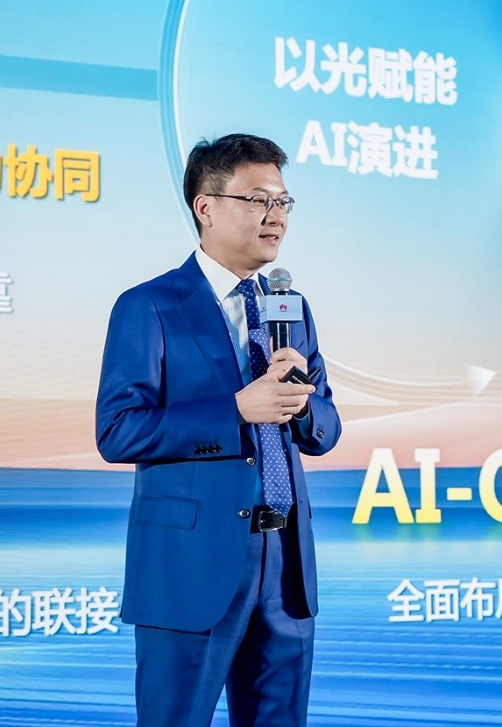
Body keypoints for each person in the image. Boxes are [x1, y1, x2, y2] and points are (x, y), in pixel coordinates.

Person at [96, 133, 342, 726]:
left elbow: (325, 430)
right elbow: (119, 431)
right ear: (206, 207)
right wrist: (236, 409)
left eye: (283, 202)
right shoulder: (151, 305)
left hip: (285, 566)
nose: (275, 216)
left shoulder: (291, 306)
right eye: (258, 201)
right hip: (191, 566)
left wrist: (299, 405)